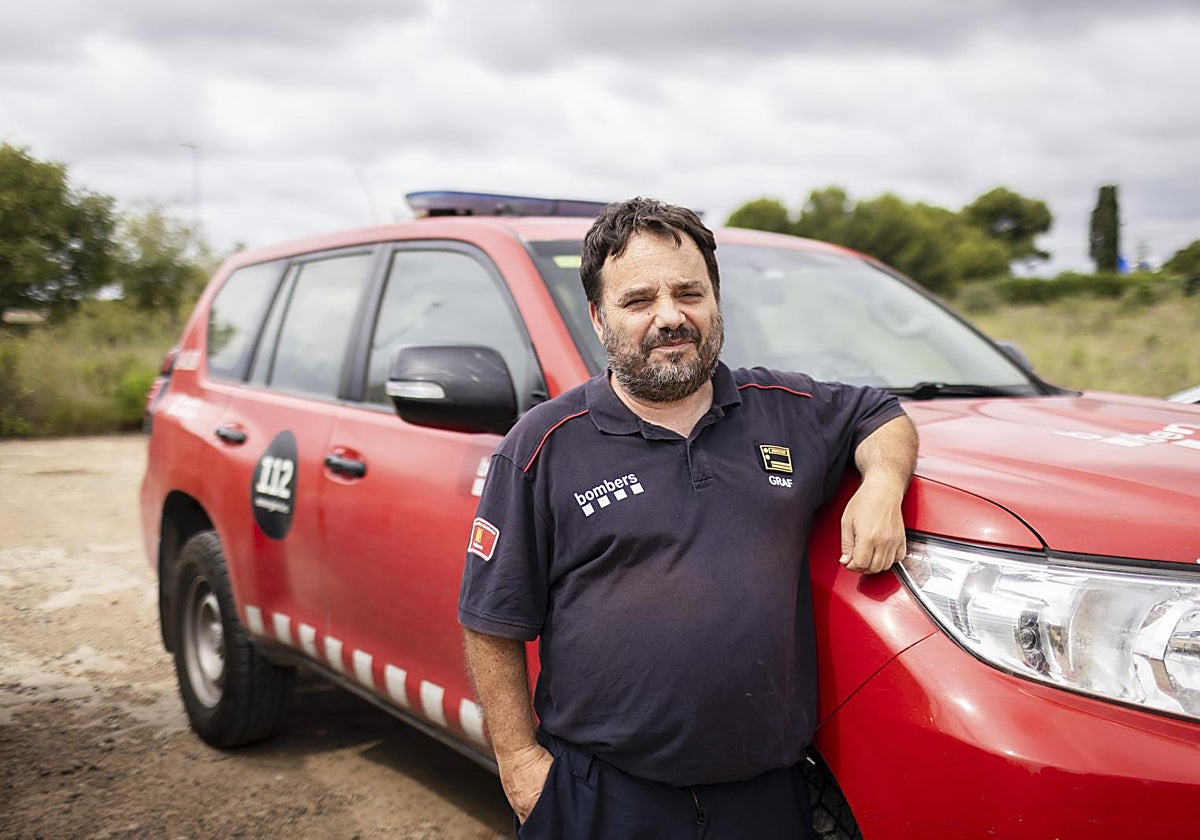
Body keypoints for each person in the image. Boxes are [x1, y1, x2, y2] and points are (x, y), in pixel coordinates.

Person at [459, 197, 918, 839]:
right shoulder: (543, 445)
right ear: (598, 318)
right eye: (639, 300)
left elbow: (881, 414)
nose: (671, 317)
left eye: (689, 293)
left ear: (716, 301)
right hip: (603, 797)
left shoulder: (785, 410)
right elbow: (491, 623)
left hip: (765, 798)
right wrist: (520, 766)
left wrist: (883, 483)